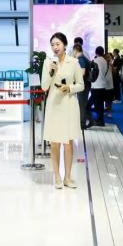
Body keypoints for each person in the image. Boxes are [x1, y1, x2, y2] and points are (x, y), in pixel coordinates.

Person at [40, 33, 86, 189]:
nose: (55, 47)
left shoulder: (73, 62)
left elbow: (81, 85)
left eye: (58, 44)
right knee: (54, 143)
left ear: (64, 45)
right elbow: (44, 86)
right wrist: (51, 73)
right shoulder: (48, 63)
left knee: (68, 143)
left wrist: (70, 88)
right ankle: (57, 177)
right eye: (52, 44)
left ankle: (67, 177)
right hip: (54, 105)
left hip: (69, 105)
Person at [87, 47, 110, 127]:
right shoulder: (105, 61)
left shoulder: (95, 61)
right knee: (100, 104)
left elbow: (91, 73)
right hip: (103, 86)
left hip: (96, 86)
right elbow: (105, 73)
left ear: (95, 52)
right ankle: (100, 121)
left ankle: (95, 120)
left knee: (92, 105)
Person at [73, 44, 91, 129]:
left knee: (81, 104)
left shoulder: (81, 59)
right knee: (82, 104)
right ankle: (85, 121)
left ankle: (82, 124)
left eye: (73, 51)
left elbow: (82, 72)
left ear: (75, 50)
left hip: (83, 85)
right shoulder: (84, 58)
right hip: (85, 84)